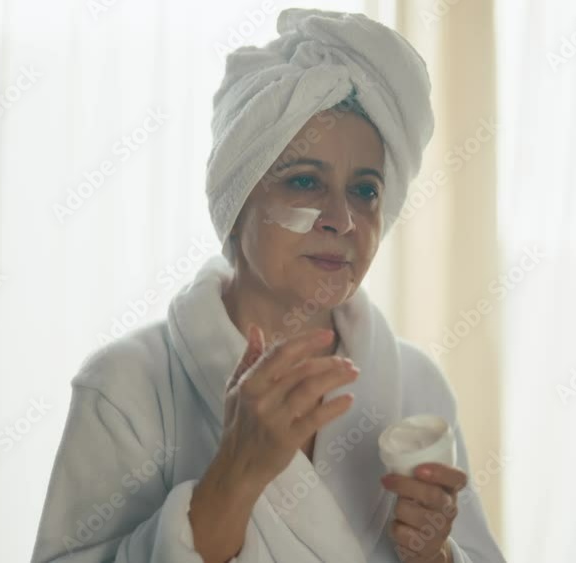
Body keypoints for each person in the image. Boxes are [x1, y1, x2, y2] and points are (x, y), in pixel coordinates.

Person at [31, 8, 506, 563]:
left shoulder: (416, 385)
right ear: (236, 204)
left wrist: (437, 555)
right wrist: (231, 479)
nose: (343, 220)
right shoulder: (125, 386)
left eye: (365, 191)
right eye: (305, 182)